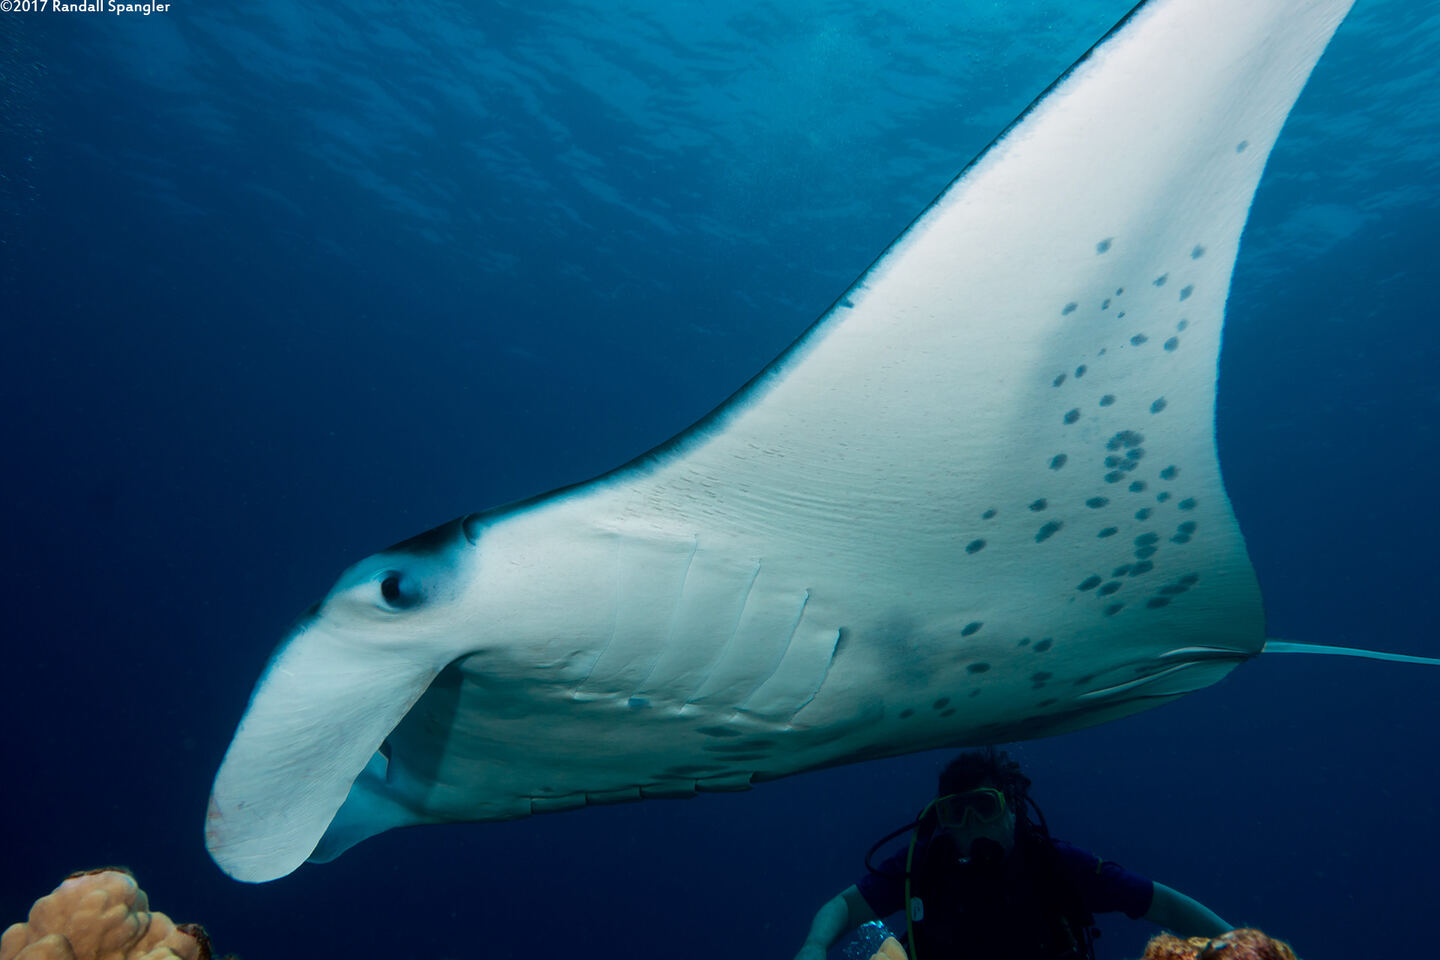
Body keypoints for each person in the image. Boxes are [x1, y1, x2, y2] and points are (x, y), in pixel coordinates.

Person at [794, 749, 1231, 960]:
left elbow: (1163, 904)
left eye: (983, 807)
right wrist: (814, 946)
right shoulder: (923, 864)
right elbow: (844, 906)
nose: (970, 825)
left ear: (1011, 807)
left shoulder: (1053, 864)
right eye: (955, 813)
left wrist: (1237, 944)